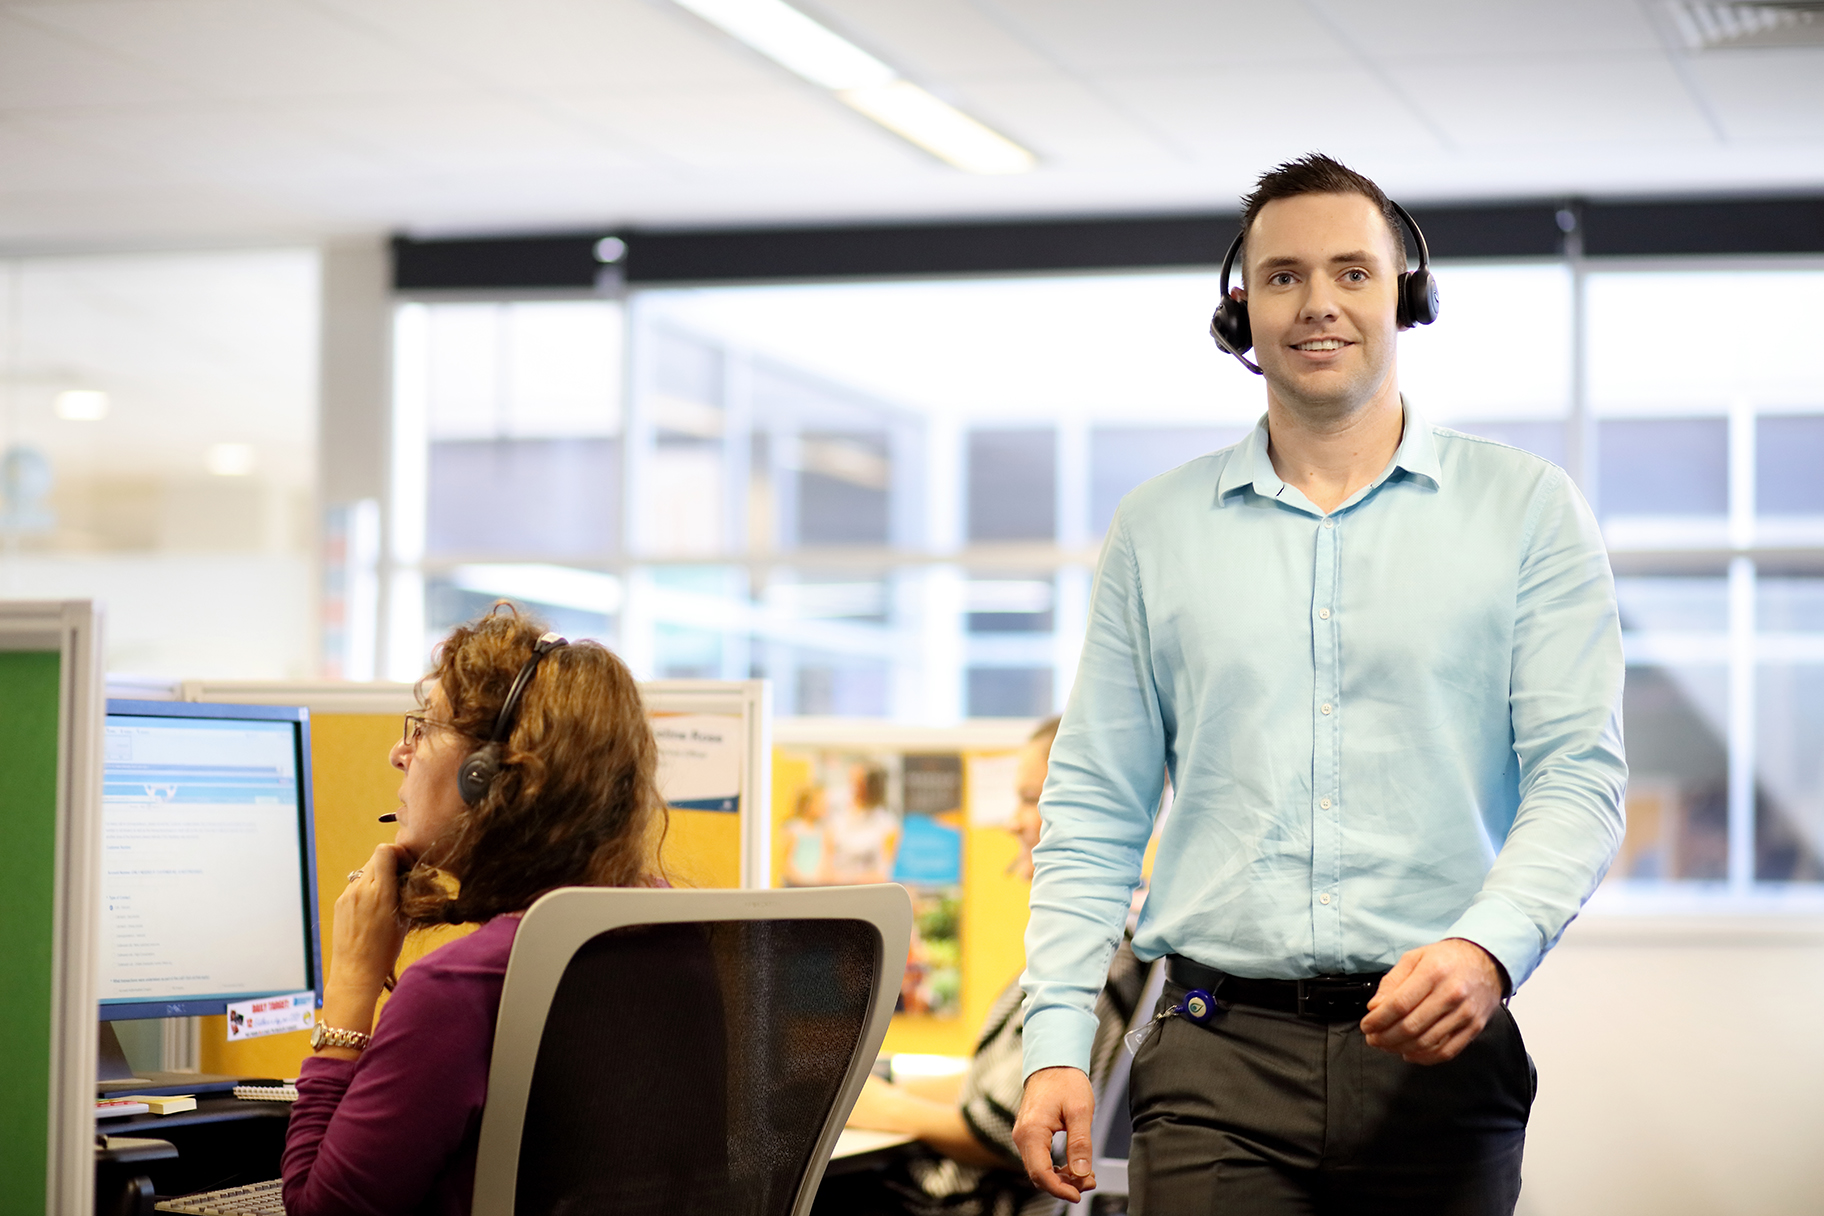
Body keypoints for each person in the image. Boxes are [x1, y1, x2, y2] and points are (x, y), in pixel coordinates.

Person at [1013, 154, 1627, 1215]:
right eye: (1283, 275)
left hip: (1440, 1047)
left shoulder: (1527, 508)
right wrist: (1057, 1040)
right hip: (1214, 1054)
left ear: (1405, 293)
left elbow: (1578, 778)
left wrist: (1489, 947)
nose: (1318, 303)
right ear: (1241, 306)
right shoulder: (1158, 530)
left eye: (1353, 270)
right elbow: (1095, 806)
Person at [280, 609, 667, 1216]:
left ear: (484, 775)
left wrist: (352, 987)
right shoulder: (670, 925)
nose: (396, 753)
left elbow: (320, 1211)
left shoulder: (459, 989)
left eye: (424, 728)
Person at [828, 717, 1147, 1216]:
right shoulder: (1114, 932)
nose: (1011, 821)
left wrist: (863, 1105)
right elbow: (997, 1082)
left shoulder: (1103, 951)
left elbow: (1006, 1128)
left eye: (1028, 798)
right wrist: (871, 1080)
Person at [825, 761, 901, 884]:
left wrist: (845, 879)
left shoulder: (887, 823)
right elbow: (825, 868)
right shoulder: (837, 820)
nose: (854, 787)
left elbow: (884, 873)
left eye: (860, 783)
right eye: (853, 781)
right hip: (836, 893)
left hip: (868, 895)